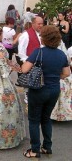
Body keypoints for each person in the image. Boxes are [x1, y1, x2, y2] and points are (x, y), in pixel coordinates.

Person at [22, 25, 70, 158]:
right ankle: (47, 147)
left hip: (38, 90)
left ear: (44, 38)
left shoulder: (38, 52)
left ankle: (34, 149)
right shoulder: (61, 54)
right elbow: (66, 73)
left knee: (33, 120)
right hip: (54, 89)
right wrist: (55, 76)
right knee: (46, 118)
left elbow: (25, 69)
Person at [17, 16, 44, 103]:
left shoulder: (40, 34)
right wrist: (28, 62)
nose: (41, 25)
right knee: (29, 83)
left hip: (38, 63)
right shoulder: (26, 35)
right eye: (39, 24)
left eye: (42, 24)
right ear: (33, 24)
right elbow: (21, 51)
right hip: (29, 63)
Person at [50, 42, 72, 121]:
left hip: (54, 76)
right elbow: (68, 62)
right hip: (62, 75)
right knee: (62, 95)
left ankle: (53, 114)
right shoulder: (62, 47)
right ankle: (60, 114)